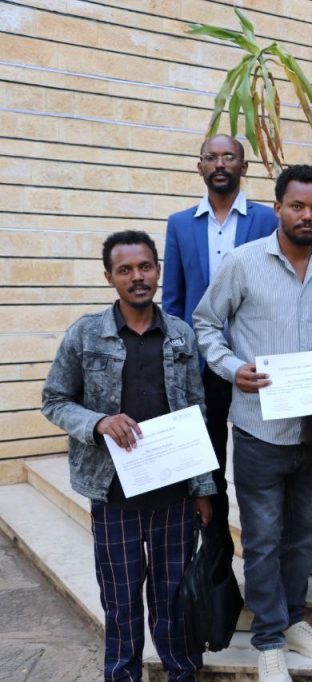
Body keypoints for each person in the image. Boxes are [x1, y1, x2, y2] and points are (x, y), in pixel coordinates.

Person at [193, 165, 312, 682]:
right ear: (278, 207)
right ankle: (267, 640)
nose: (308, 216)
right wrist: (231, 367)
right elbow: (206, 323)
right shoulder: (242, 263)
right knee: (262, 539)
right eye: (298, 206)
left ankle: (295, 620)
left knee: (304, 537)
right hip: (260, 429)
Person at [41, 230, 216, 682]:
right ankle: (122, 675)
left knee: (173, 600)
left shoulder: (180, 335)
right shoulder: (86, 334)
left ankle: (182, 673)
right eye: (125, 270)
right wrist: (97, 423)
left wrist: (203, 489)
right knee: (119, 602)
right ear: (109, 277)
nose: (137, 278)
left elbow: (197, 412)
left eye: (145, 267)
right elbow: (55, 400)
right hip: (114, 495)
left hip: (175, 497)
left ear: (157, 270)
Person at [163, 133, 278, 551]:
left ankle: (265, 542)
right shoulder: (179, 224)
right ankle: (215, 554)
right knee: (208, 460)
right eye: (211, 157)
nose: (220, 164)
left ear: (243, 167)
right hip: (202, 364)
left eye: (229, 157)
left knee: (258, 460)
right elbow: (174, 300)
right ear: (200, 167)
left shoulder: (266, 220)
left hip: (254, 362)